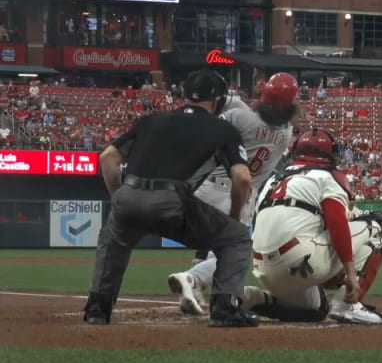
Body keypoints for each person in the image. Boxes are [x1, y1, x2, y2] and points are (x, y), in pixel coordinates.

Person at [83, 69, 259, 327]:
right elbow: (243, 179)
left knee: (113, 241)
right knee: (237, 238)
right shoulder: (223, 129)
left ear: (183, 95)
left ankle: (97, 308)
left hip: (129, 195)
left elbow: (108, 158)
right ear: (218, 101)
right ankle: (225, 309)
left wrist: (119, 198)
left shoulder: (150, 120)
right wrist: (233, 217)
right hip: (173, 200)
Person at [167, 72, 299, 315]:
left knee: (211, 244)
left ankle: (193, 292)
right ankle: (192, 279)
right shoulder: (286, 133)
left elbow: (211, 111)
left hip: (209, 187)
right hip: (242, 192)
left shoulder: (239, 115)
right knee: (233, 250)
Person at [240, 129, 382, 324]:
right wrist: (350, 272)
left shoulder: (273, 179)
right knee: (379, 224)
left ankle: (250, 297)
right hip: (299, 261)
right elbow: (337, 223)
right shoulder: (328, 177)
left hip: (263, 268)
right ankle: (348, 305)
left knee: (315, 310)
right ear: (331, 153)